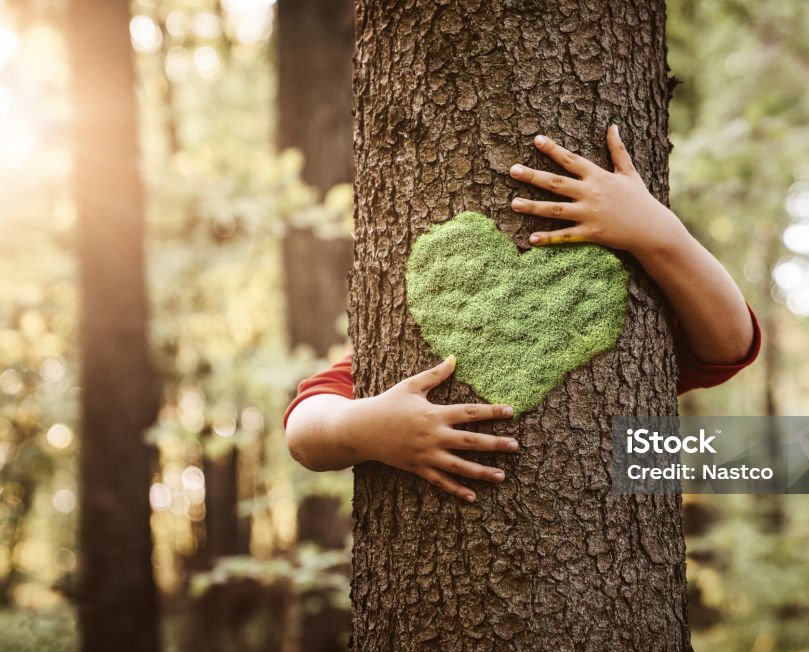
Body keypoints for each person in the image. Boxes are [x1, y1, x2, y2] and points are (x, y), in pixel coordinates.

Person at [283, 125, 761, 503]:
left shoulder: (638, 324)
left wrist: (658, 233)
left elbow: (730, 344)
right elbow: (305, 430)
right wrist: (365, 428)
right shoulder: (409, 347)